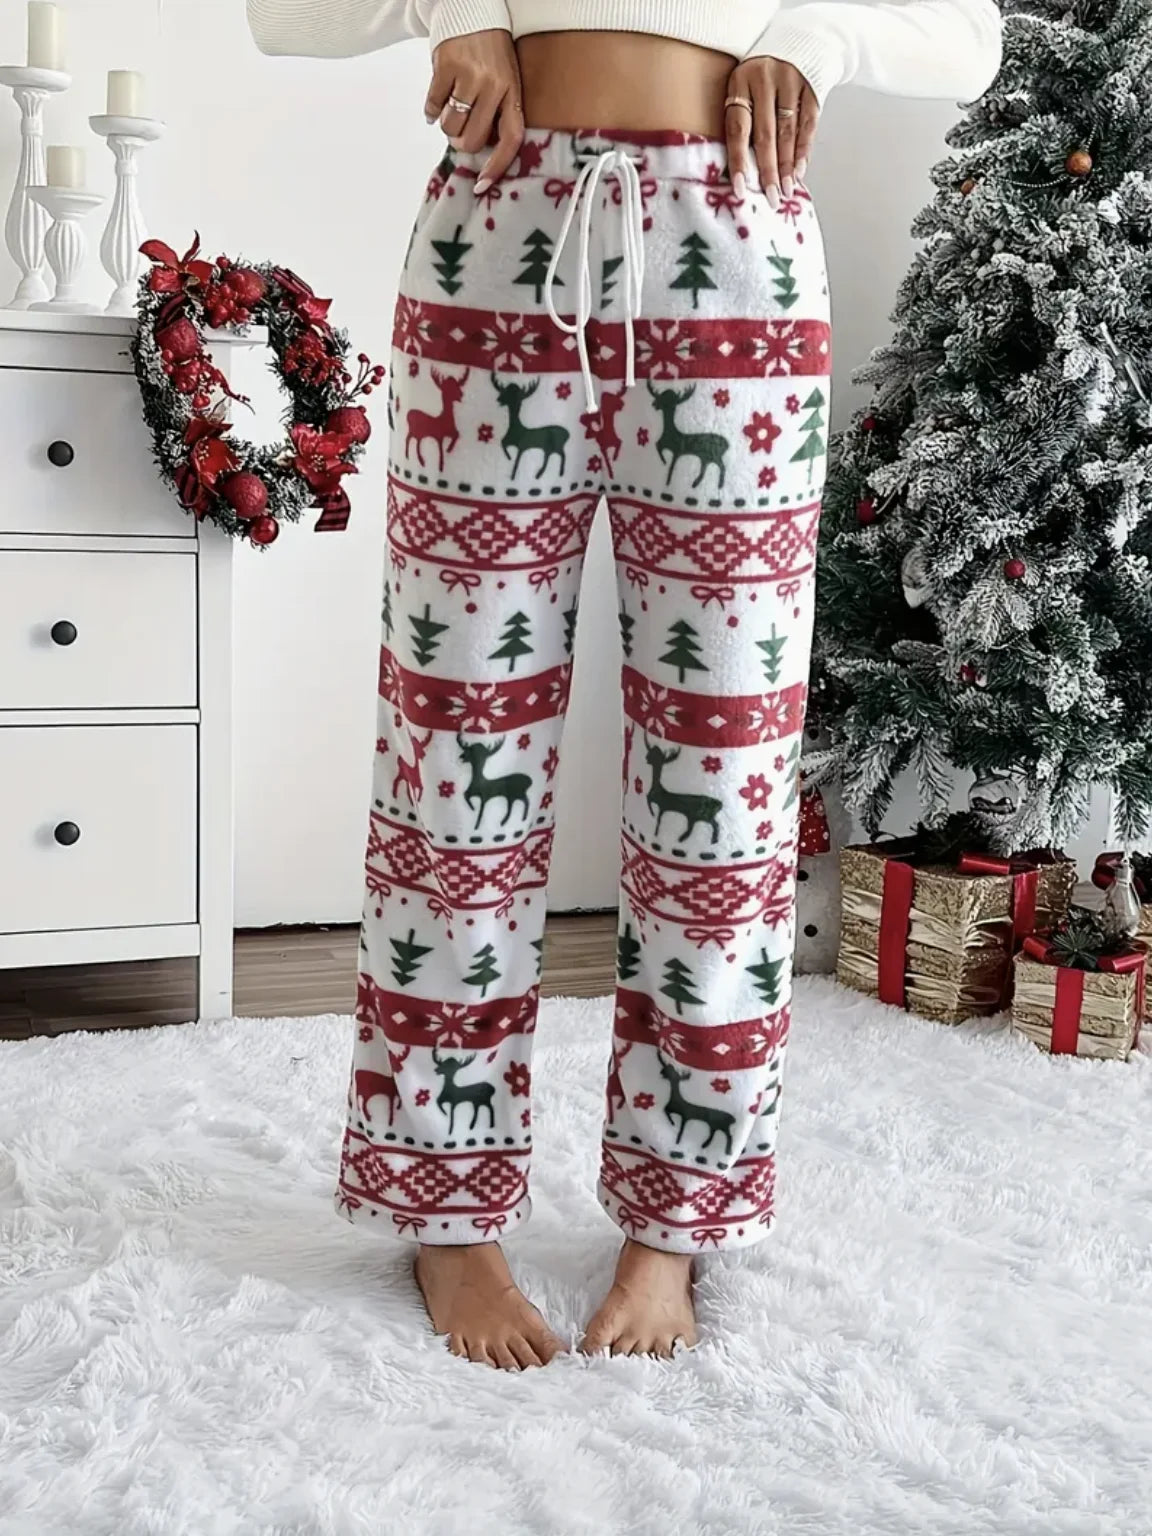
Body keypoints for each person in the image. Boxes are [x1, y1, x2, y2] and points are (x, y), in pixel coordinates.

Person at [248, 0, 1002, 1369]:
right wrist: (457, 9)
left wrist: (817, 42)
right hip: (500, 236)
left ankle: (676, 1224)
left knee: (725, 773)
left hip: (738, 246)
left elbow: (967, 33)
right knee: (452, 757)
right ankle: (444, 1209)